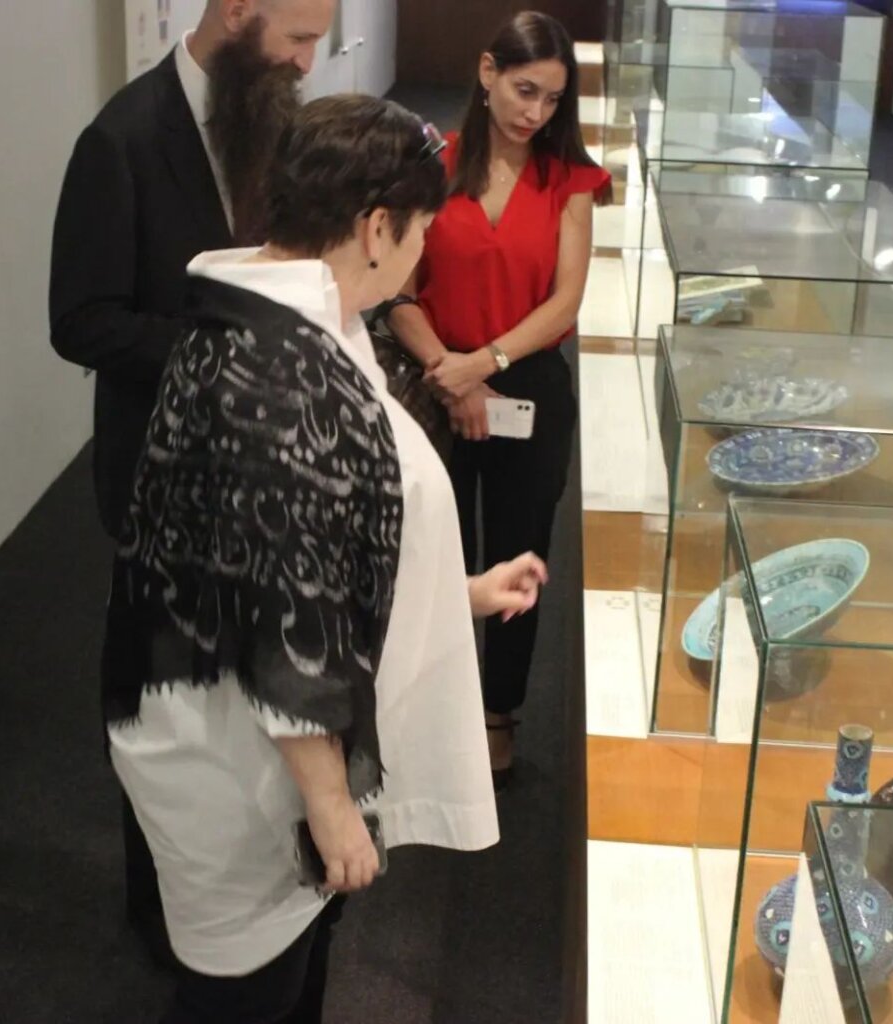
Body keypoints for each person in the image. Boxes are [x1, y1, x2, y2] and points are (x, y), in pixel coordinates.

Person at [102, 94, 549, 1024]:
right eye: (422, 230)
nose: (423, 251)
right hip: (242, 769)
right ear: (377, 228)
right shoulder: (275, 374)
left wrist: (458, 592)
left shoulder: (286, 315)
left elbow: (324, 537)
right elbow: (282, 619)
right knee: (249, 996)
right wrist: (333, 806)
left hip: (255, 741)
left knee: (295, 971)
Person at [48, 0, 335, 963]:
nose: (309, 62)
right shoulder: (121, 139)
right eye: (299, 38)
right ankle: (159, 901)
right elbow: (80, 320)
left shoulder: (277, 118)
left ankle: (248, 880)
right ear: (240, 10)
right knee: (159, 702)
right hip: (160, 477)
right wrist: (222, 352)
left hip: (264, 467)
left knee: (247, 697)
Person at [389, 11, 611, 787]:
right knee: (431, 554)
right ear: (487, 73)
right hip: (436, 382)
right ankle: (429, 708)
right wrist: (448, 370)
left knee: (519, 557)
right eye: (524, 90)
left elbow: (566, 301)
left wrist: (483, 364)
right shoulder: (432, 167)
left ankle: (497, 714)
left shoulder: (570, 179)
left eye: (552, 99)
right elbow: (399, 293)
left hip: (527, 384)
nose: (536, 113)